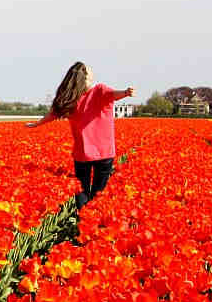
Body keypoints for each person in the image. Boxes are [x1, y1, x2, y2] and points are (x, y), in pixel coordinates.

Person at [27, 62, 134, 208]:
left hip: (82, 154)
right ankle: (91, 225)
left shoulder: (70, 98)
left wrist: (37, 124)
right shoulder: (99, 90)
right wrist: (125, 93)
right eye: (90, 71)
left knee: (81, 192)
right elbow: (112, 95)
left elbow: (53, 114)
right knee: (97, 195)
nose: (93, 73)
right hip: (104, 153)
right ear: (85, 77)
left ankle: (83, 221)